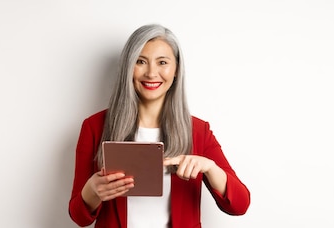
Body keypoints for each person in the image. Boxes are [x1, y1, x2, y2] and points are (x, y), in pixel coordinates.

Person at [68, 24, 250, 228]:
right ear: (128, 68)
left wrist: (210, 167)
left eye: (162, 62)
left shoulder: (199, 131)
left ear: (176, 70)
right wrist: (92, 191)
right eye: (140, 62)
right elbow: (79, 218)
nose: (151, 73)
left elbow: (240, 205)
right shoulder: (94, 127)